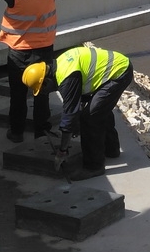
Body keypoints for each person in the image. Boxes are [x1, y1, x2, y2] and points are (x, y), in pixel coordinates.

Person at [23, 42, 134, 180]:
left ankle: (94, 166)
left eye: (42, 90)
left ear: (46, 80)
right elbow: (78, 100)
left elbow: (69, 116)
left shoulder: (66, 78)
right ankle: (111, 150)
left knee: (90, 118)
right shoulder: (59, 64)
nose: (45, 93)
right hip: (115, 67)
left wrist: (62, 151)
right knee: (99, 109)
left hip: (118, 73)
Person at [0, 0, 56, 143]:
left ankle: (16, 132)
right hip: (45, 51)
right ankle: (42, 132)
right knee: (42, 93)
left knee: (18, 94)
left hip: (19, 52)